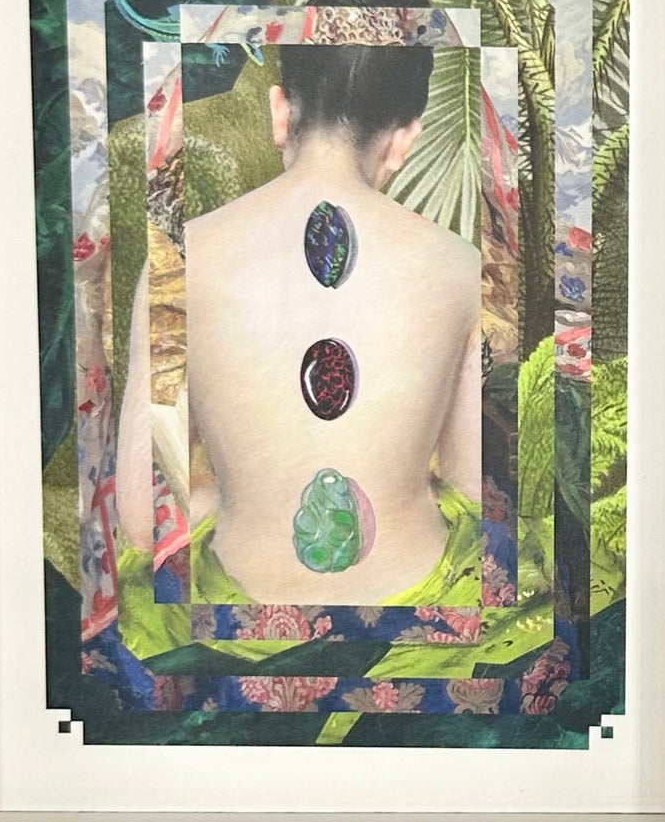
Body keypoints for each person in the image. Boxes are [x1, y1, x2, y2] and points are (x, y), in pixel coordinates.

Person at [116, 42, 481, 605]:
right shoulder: (462, 265)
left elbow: (142, 516)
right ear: (405, 138)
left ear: (280, 111)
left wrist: (233, 501)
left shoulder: (183, 255)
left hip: (237, 615)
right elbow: (470, 486)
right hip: (424, 600)